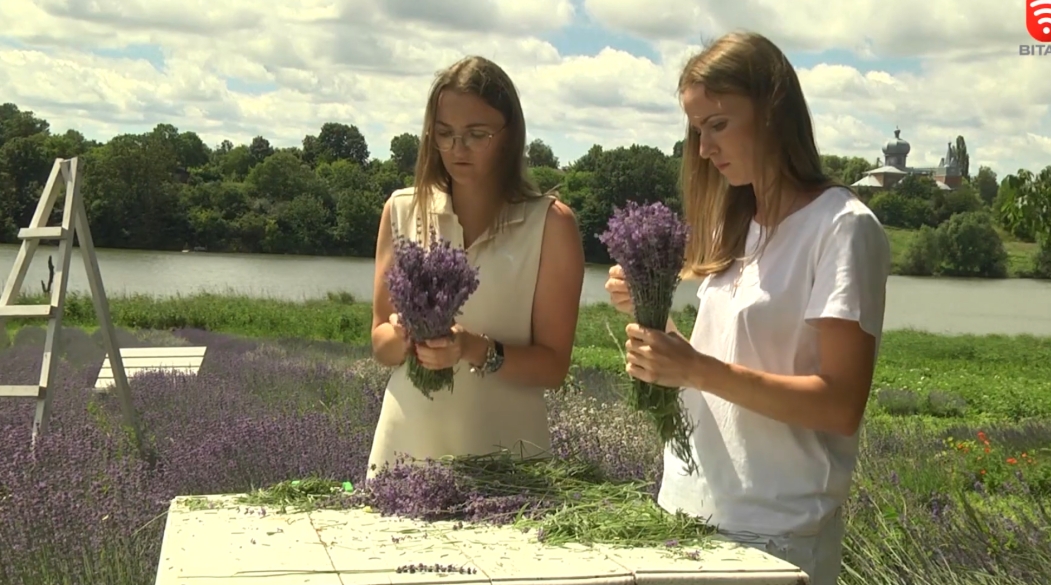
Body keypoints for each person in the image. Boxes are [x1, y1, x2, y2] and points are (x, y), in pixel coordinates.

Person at [605, 31, 890, 585]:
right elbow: (715, 371)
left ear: (772, 112)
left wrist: (695, 368)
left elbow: (839, 405)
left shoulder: (843, 229)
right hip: (686, 508)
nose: (705, 149)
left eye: (718, 124)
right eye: (696, 131)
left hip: (776, 530)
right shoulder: (735, 225)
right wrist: (654, 325)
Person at [366, 56, 585, 479]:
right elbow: (379, 344)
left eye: (476, 134)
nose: (457, 149)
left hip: (510, 460)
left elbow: (554, 367)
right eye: (444, 134)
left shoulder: (550, 224)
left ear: (510, 136)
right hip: (405, 453)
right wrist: (407, 333)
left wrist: (473, 349)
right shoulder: (402, 209)